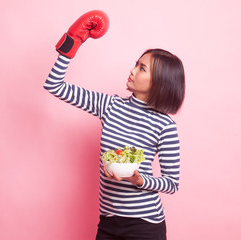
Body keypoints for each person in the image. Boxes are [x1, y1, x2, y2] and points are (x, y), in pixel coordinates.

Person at [44, 10, 185, 240]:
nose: (132, 71)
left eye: (142, 68)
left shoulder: (165, 126)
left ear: (159, 81)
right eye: (135, 64)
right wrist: (73, 41)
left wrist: (140, 180)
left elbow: (172, 183)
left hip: (145, 226)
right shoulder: (109, 105)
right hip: (108, 222)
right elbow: (54, 85)